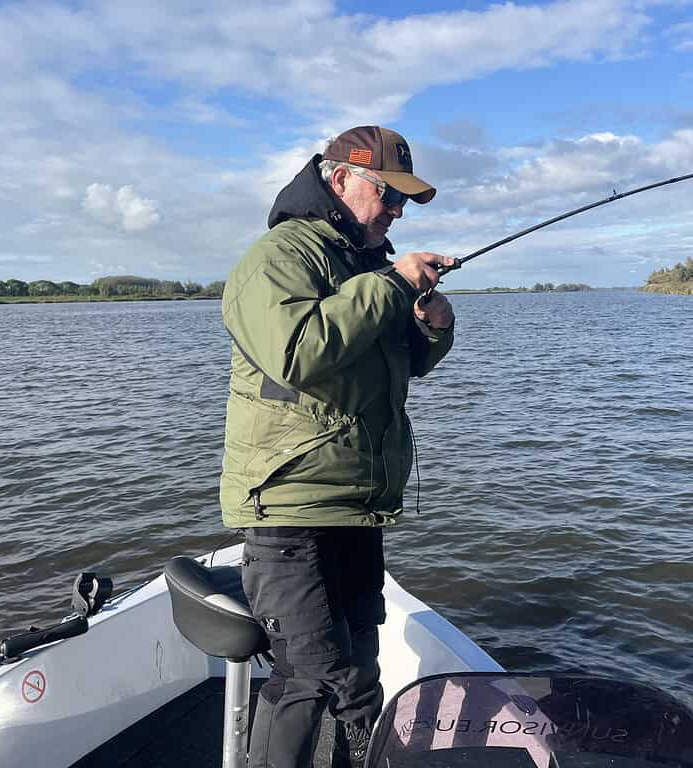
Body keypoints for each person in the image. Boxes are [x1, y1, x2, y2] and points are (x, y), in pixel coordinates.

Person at [219, 125, 456, 768]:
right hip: (290, 506)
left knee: (360, 673)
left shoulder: (367, 265)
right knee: (308, 676)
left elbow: (395, 363)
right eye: (389, 194)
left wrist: (434, 329)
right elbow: (298, 352)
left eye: (406, 202)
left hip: (357, 505)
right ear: (338, 176)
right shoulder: (279, 255)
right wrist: (393, 284)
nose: (398, 211)